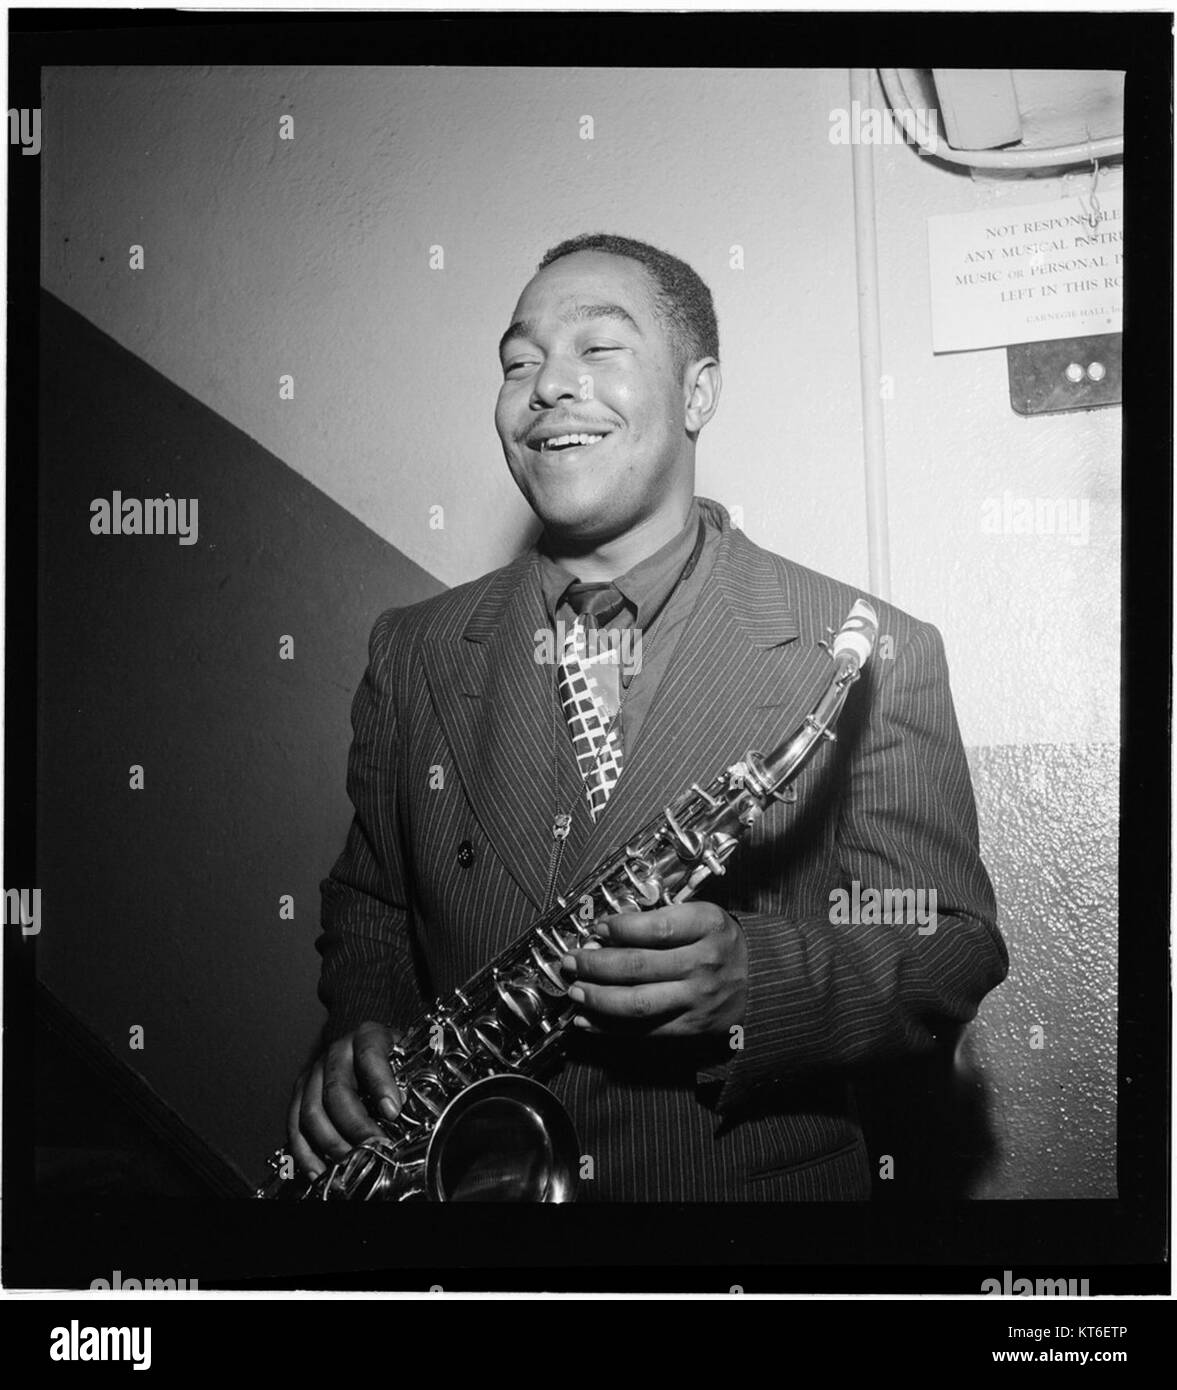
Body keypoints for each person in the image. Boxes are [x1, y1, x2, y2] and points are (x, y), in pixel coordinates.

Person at [285, 232, 1008, 1201]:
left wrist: (762, 983)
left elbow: (949, 940)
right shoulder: (411, 648)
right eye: (518, 362)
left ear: (698, 392)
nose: (546, 386)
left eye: (597, 348)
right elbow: (370, 903)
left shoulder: (872, 646)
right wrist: (357, 1031)